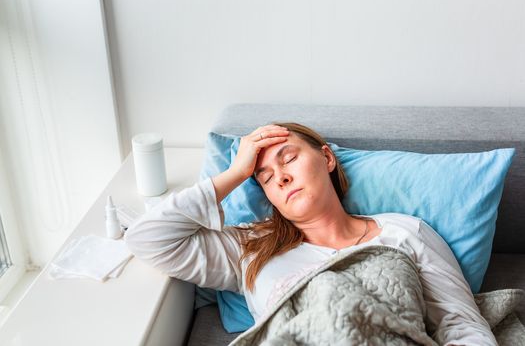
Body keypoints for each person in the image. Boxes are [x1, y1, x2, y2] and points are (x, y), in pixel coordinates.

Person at [124, 123, 497, 345]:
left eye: (288, 159)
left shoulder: (403, 232)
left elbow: (461, 324)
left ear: (327, 159)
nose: (281, 176)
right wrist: (236, 173)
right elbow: (147, 239)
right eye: (266, 177)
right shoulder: (251, 249)